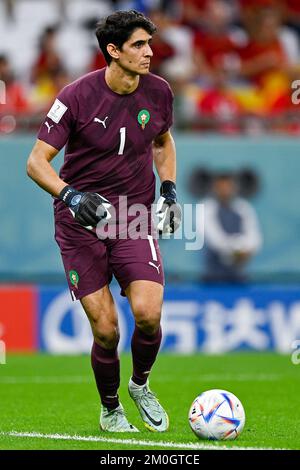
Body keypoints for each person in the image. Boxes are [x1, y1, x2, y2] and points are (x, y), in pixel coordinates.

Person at [27, 10, 181, 433]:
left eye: (149, 44)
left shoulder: (160, 92)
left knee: (148, 313)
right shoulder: (75, 96)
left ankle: (140, 385)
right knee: (107, 329)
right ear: (113, 51)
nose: (149, 53)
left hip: (133, 215)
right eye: (138, 45)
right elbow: (36, 162)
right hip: (81, 219)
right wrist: (71, 195)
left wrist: (168, 191)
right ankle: (111, 408)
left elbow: (163, 142)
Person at [200, 172, 262, 283]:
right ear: (215, 188)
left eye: (228, 186)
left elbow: (254, 238)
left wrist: (245, 250)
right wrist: (236, 250)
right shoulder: (206, 207)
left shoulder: (243, 207)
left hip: (239, 275)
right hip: (213, 276)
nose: (225, 190)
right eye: (221, 187)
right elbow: (214, 239)